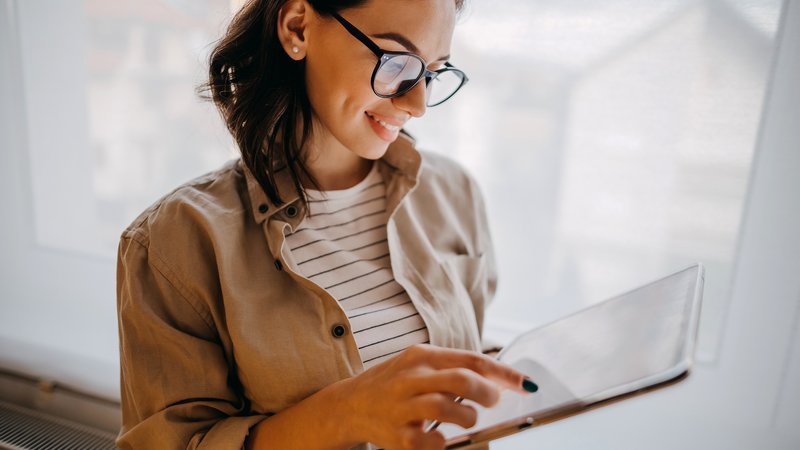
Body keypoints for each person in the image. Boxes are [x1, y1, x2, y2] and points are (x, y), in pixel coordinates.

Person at [115, 0, 536, 449]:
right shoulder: (171, 244)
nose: (417, 104)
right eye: (396, 63)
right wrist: (346, 413)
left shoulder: (453, 193)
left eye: (432, 73)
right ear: (297, 28)